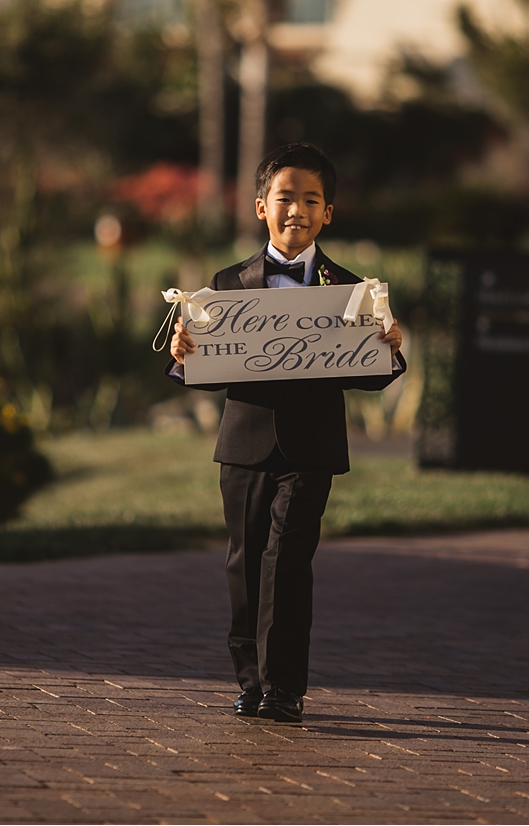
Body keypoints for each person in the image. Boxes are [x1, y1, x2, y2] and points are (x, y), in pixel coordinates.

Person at [166, 142, 405, 724]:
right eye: (285, 197)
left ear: (329, 213)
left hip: (312, 448)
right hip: (243, 446)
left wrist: (390, 351)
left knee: (288, 560)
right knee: (244, 563)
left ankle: (285, 687)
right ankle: (249, 682)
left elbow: (372, 378)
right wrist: (181, 354)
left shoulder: (352, 291)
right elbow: (200, 371)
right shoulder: (226, 283)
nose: (297, 209)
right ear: (260, 207)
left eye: (311, 199)